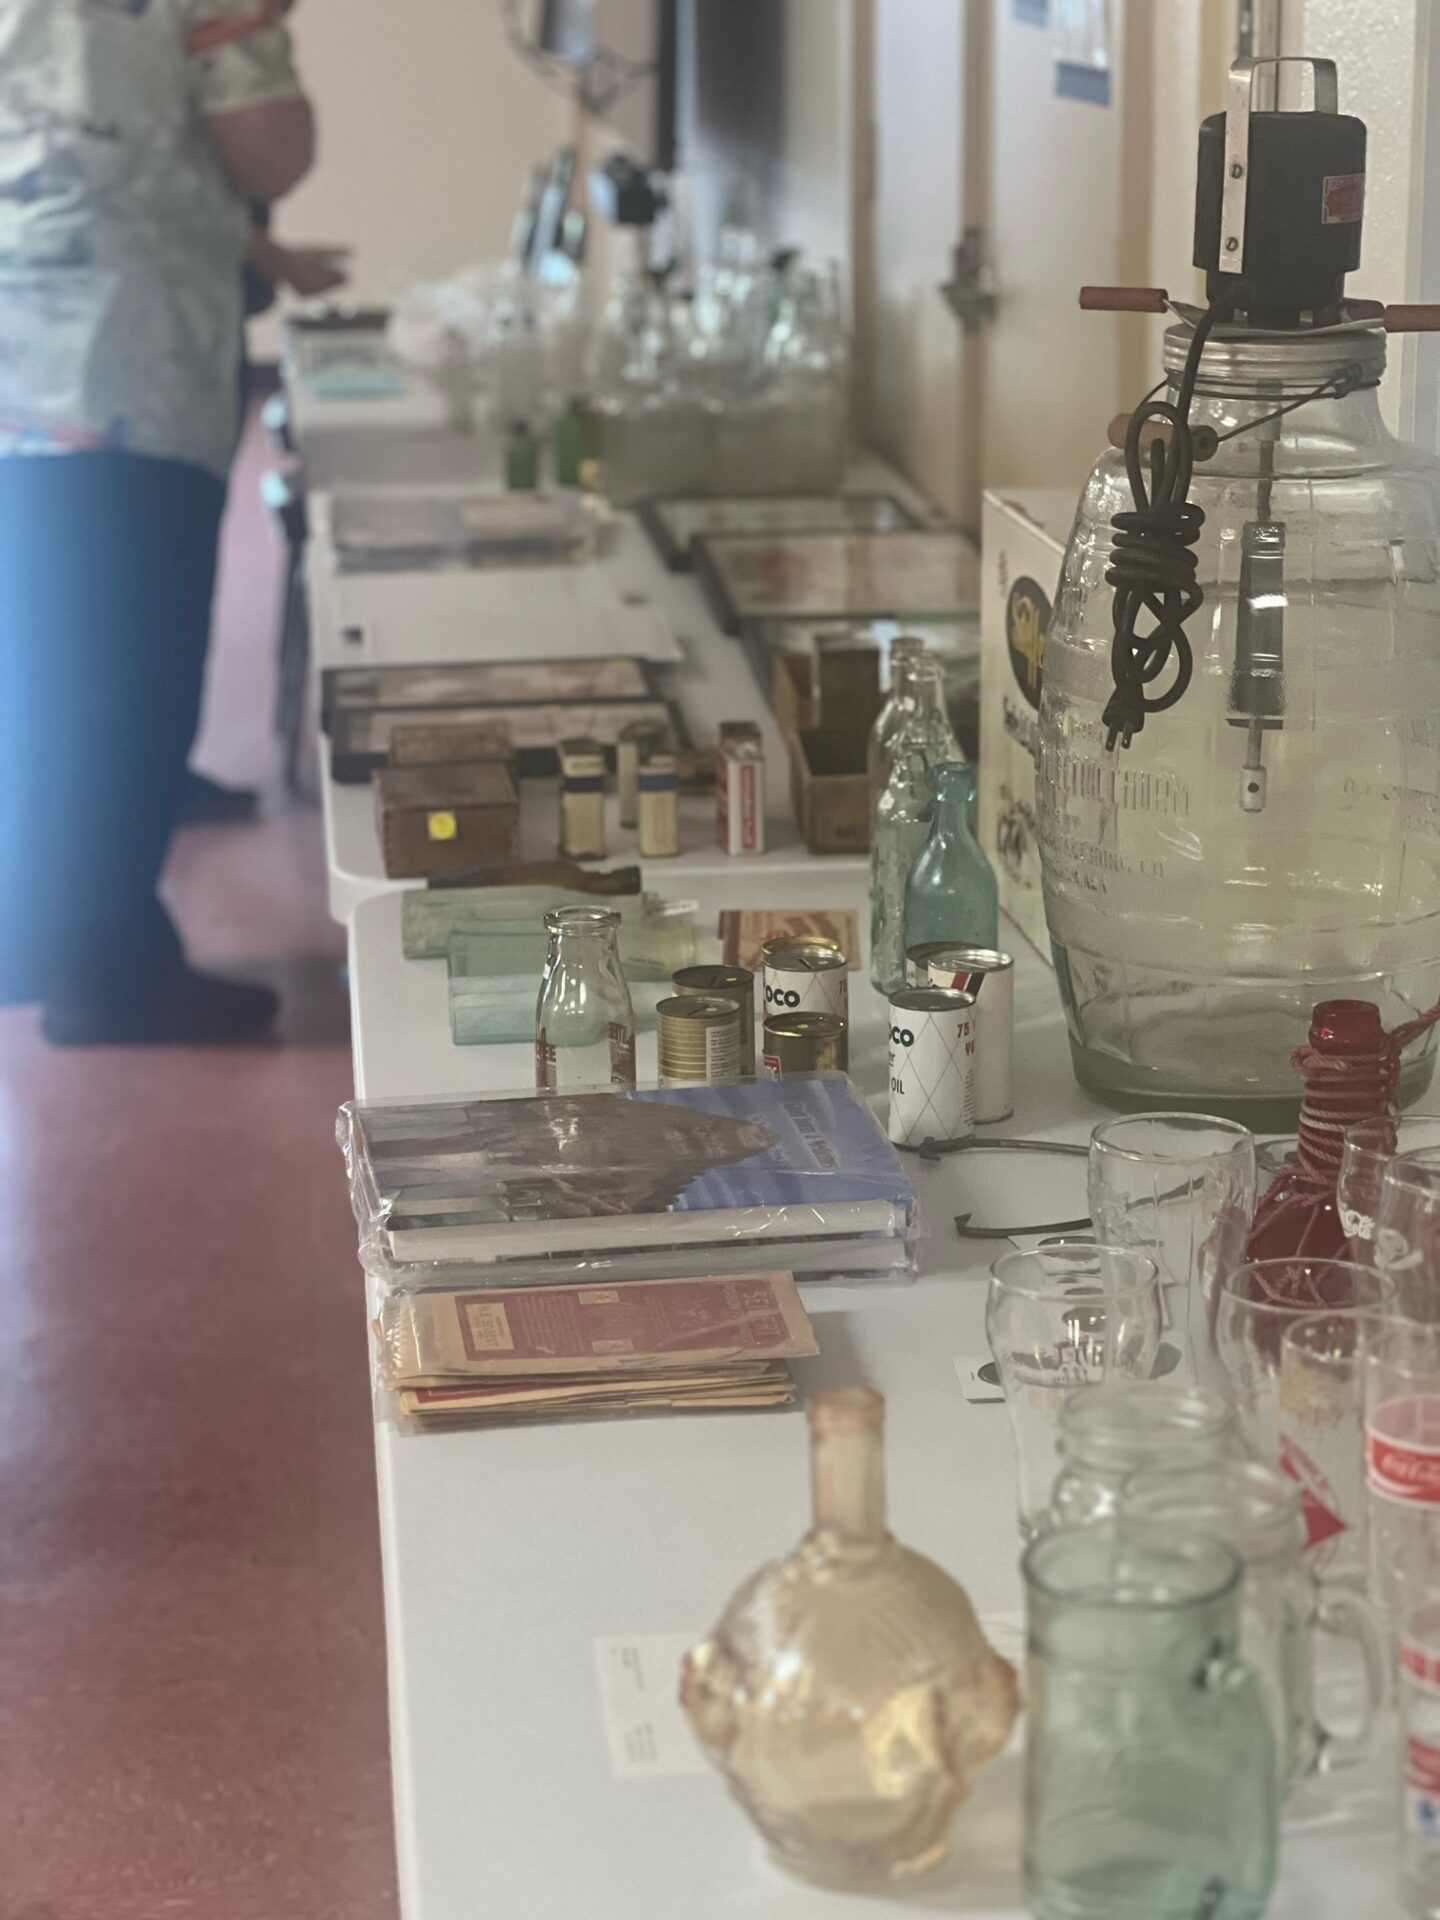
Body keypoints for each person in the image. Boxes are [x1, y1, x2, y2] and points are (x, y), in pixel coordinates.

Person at [0, 0, 316, 1043]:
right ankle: (109, 973)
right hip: (115, 360)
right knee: (128, 678)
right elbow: (269, 147)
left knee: (44, 659)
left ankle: (30, 934)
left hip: (24, 341)